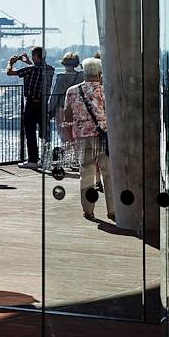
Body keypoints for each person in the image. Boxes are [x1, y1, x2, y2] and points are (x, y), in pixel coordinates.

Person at [63, 58, 115, 222]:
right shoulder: (105, 90)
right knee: (108, 174)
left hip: (82, 137)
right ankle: (112, 210)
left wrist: (70, 134)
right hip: (104, 137)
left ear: (84, 73)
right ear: (100, 73)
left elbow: (68, 114)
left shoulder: (72, 91)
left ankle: (88, 210)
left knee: (86, 174)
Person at [7, 46, 54, 169]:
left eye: (33, 56)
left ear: (37, 56)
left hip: (31, 104)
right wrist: (28, 62)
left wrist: (10, 63)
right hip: (44, 103)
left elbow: (10, 72)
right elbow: (37, 69)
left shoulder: (30, 70)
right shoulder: (50, 69)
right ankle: (46, 159)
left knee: (30, 132)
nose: (32, 58)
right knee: (45, 132)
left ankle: (33, 160)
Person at [48, 53, 83, 171]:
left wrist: (49, 110)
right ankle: (77, 160)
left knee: (65, 136)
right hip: (77, 109)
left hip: (63, 109)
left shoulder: (61, 77)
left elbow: (54, 96)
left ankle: (68, 160)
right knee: (76, 135)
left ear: (63, 63)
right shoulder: (81, 76)